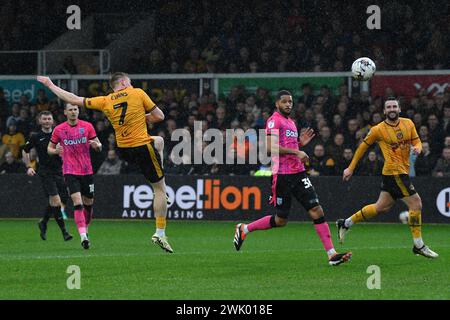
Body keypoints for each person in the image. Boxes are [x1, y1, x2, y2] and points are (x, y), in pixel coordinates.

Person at [37, 73, 173, 253]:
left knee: (159, 142)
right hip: (140, 146)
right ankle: (160, 232)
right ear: (124, 82)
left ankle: (162, 193)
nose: (131, 85)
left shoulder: (105, 100)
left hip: (123, 150)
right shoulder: (138, 93)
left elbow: (74, 99)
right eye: (129, 83)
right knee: (159, 189)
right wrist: (144, 117)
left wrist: (50, 85)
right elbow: (160, 116)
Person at [233, 90, 352, 266]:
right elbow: (270, 148)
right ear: (277, 104)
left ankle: (332, 254)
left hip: (298, 173)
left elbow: (286, 146)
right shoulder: (274, 121)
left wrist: (299, 144)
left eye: (290, 102)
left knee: (317, 210)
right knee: (281, 220)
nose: (288, 104)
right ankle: (245, 228)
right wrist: (297, 150)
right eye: (284, 102)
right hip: (282, 176)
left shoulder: (291, 122)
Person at [337, 98, 438, 258]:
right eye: (388, 107)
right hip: (394, 172)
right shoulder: (378, 129)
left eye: (394, 106)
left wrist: (418, 149)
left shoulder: (408, 123)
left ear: (399, 109)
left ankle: (346, 223)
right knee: (416, 203)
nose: (392, 109)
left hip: (397, 172)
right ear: (384, 111)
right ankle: (419, 245)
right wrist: (351, 167)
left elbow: (417, 141)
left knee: (380, 207)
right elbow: (362, 147)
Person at [48, 103, 102, 249]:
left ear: (78, 111)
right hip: (70, 171)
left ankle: (86, 229)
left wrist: (97, 146)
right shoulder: (59, 129)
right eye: (70, 110)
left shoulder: (87, 126)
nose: (73, 112)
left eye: (75, 109)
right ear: (65, 112)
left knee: (88, 204)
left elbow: (99, 144)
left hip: (86, 171)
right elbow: (50, 148)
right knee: (77, 203)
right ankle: (83, 236)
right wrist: (56, 151)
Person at [22, 111, 73, 241]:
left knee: (62, 199)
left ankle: (44, 222)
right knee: (55, 201)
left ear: (52, 120)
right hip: (45, 172)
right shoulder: (36, 136)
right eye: (44, 119)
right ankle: (64, 232)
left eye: (49, 119)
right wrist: (29, 167)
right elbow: (25, 150)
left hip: (60, 171)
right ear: (40, 121)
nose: (46, 121)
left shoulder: (59, 134)